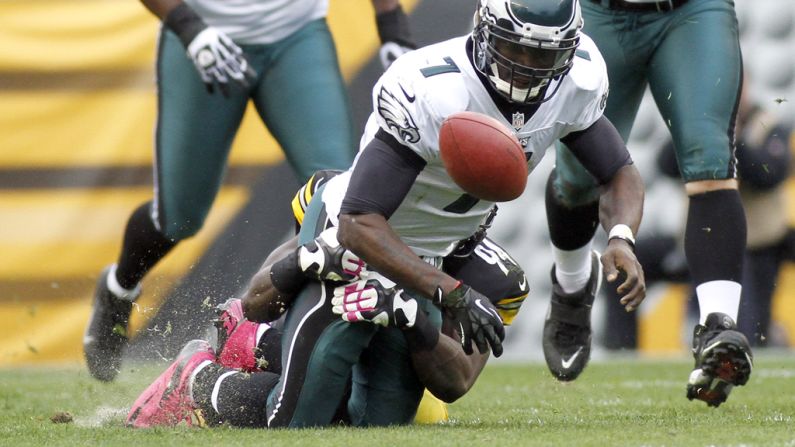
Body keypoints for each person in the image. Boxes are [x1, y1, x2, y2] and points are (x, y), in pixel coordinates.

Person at [128, 0, 646, 428]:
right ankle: (206, 375)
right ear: (486, 33)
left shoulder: (577, 81)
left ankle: (274, 335)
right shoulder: (432, 87)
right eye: (515, 49)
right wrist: (449, 291)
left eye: (544, 56)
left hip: (434, 253)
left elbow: (619, 170)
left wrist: (620, 236)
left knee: (379, 424)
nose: (528, 69)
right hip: (353, 247)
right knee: (299, 421)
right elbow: (358, 220)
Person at [83, 0, 416, 382]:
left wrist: (393, 27)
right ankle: (119, 288)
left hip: (296, 34)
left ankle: (336, 349)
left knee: (338, 194)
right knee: (179, 217)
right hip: (205, 33)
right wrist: (190, 28)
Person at [541, 0, 754, 407]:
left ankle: (716, 326)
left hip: (691, 10)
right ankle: (571, 287)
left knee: (710, 159)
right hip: (597, 12)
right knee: (577, 179)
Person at [604, 82, 795, 350]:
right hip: (699, 241)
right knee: (627, 265)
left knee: (748, 324)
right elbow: (666, 164)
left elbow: (769, 174)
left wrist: (726, 139)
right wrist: (692, 129)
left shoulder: (770, 126)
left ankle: (760, 338)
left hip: (757, 247)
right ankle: (619, 348)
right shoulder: (697, 123)